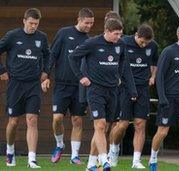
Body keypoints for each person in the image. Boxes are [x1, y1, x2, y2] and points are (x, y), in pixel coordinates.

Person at [68, 18, 137, 171]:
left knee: (104, 127)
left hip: (113, 91)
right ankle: (104, 160)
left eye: (120, 34)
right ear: (106, 31)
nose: (118, 37)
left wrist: (127, 85)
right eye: (116, 34)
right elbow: (72, 57)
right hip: (95, 90)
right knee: (99, 125)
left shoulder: (121, 44)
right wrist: (81, 77)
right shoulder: (92, 43)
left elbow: (123, 65)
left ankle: (91, 164)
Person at [41, 8, 94, 164]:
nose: (89, 26)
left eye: (91, 23)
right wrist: (46, 76)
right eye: (87, 23)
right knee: (57, 118)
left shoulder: (89, 40)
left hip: (80, 87)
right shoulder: (64, 33)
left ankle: (74, 156)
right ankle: (59, 144)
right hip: (62, 84)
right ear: (79, 19)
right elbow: (53, 55)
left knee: (77, 120)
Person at [0, 8, 50, 168]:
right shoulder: (12, 36)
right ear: (24, 21)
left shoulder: (41, 38)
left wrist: (46, 72)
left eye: (36, 24)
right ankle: (10, 150)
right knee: (13, 121)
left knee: (32, 120)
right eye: (31, 23)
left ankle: (32, 159)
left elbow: (48, 55)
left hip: (33, 85)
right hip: (15, 84)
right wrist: (1, 71)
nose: (33, 26)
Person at [148, 24, 179, 171]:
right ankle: (153, 157)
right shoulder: (168, 52)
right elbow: (160, 77)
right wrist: (162, 98)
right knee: (163, 132)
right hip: (169, 99)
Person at [108, 24, 158, 169]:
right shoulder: (123, 42)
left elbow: (154, 62)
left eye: (146, 43)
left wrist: (153, 76)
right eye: (142, 42)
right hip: (125, 87)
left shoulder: (153, 46)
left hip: (143, 88)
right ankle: (114, 150)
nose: (144, 45)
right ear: (136, 35)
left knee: (140, 124)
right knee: (122, 124)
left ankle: (136, 160)